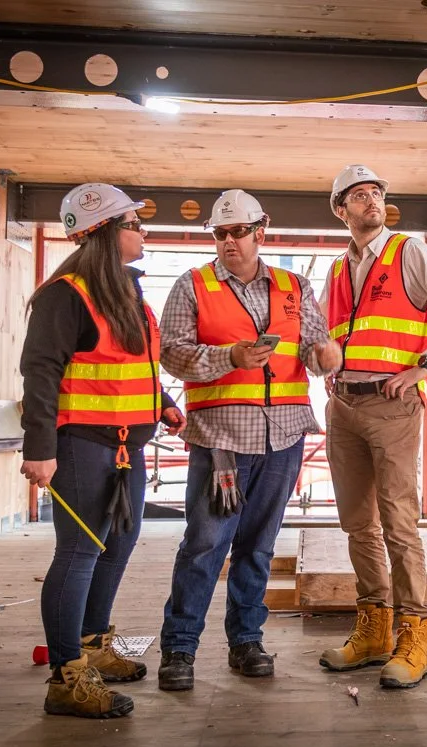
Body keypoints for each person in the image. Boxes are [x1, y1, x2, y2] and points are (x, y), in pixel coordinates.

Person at [156, 190, 341, 691]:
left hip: (283, 436)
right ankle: (179, 649)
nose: (229, 242)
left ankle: (246, 641)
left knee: (258, 547)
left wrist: (328, 359)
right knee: (204, 544)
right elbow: (171, 355)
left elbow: (316, 350)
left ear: (261, 230)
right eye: (220, 234)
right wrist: (229, 358)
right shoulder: (192, 286)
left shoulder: (293, 286)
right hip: (221, 438)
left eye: (238, 232)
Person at [19, 183, 184, 719]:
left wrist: (161, 403)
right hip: (80, 446)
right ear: (106, 232)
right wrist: (39, 449)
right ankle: (67, 677)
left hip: (126, 446)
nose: (142, 231)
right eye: (134, 223)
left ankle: (92, 644)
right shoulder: (65, 294)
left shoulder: (126, 291)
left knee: (119, 542)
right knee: (80, 551)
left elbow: (128, 363)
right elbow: (41, 373)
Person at [317, 164, 427, 689]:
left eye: (377, 193)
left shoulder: (408, 251)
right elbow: (329, 333)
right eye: (359, 195)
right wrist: (326, 365)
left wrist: (426, 364)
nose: (371, 201)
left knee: (398, 522)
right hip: (343, 406)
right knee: (357, 523)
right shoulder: (337, 269)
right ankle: (372, 630)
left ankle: (413, 636)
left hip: (392, 405)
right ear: (341, 210)